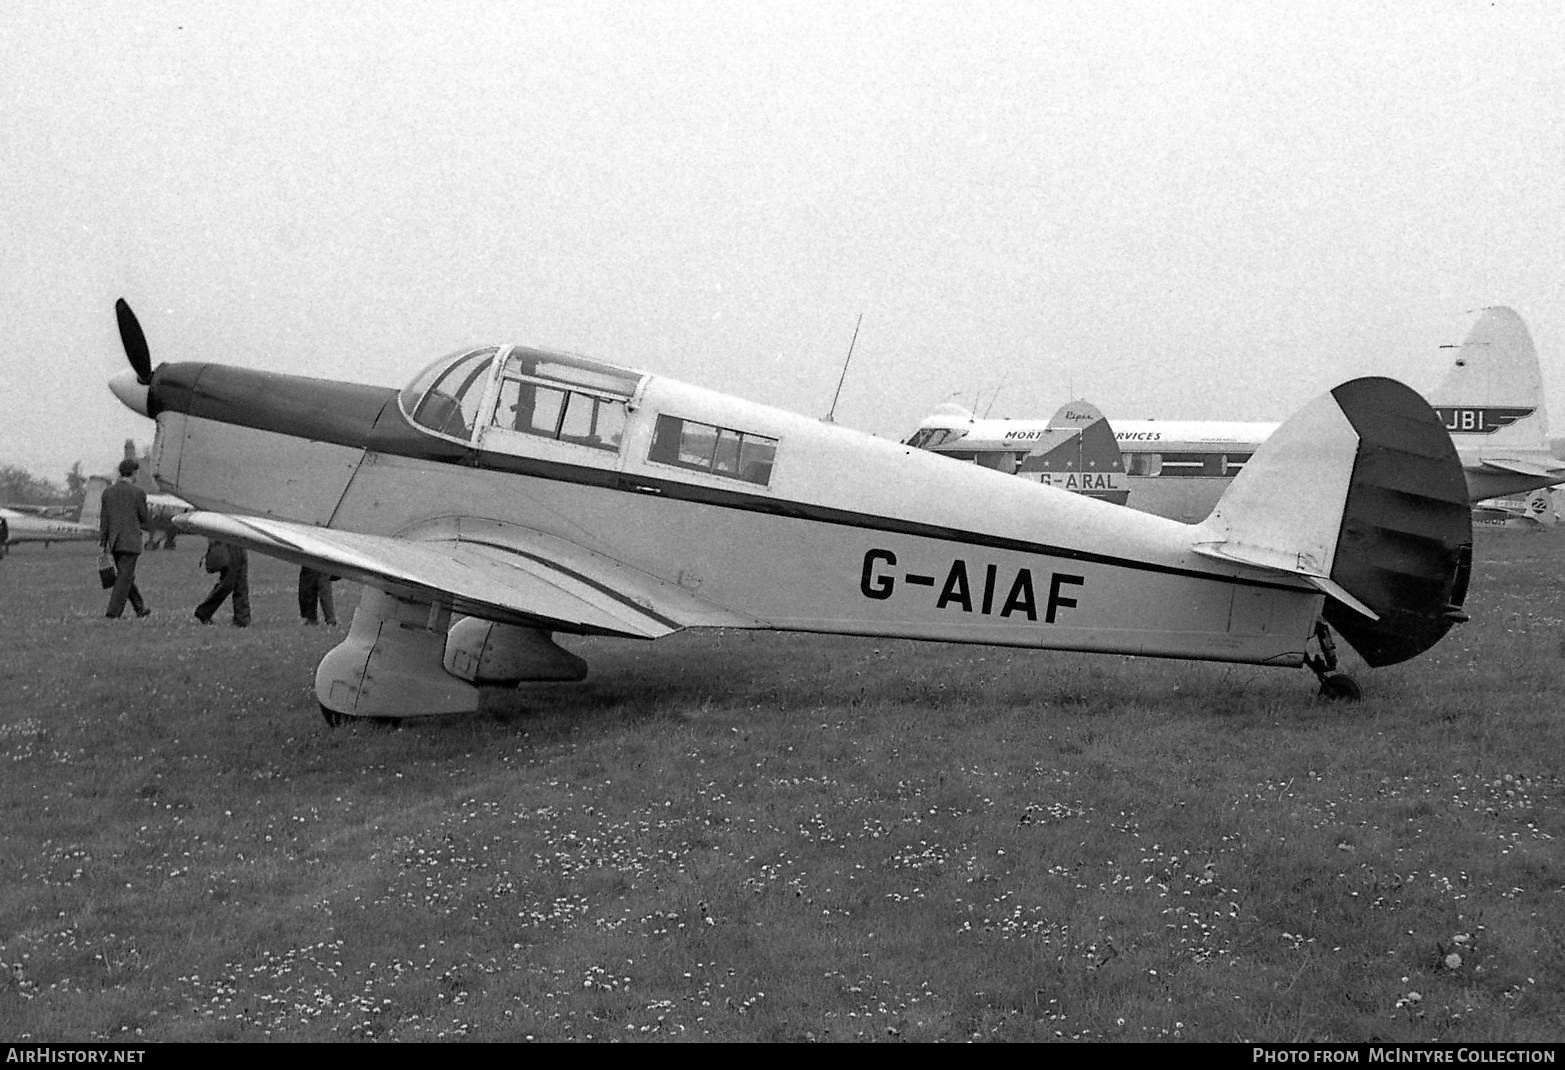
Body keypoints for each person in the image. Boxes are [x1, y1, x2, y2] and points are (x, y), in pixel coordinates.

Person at [99, 458, 151, 619]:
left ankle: (140, 608)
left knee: (125, 575)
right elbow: (144, 518)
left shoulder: (108, 492)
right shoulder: (138, 493)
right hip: (131, 541)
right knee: (124, 577)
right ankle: (113, 612)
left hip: (114, 542)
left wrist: (103, 543)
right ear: (134, 473)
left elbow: (104, 520)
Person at [194, 539, 250, 627]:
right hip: (229, 542)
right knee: (228, 583)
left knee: (240, 583)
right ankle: (204, 611)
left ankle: (242, 620)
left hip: (239, 541)